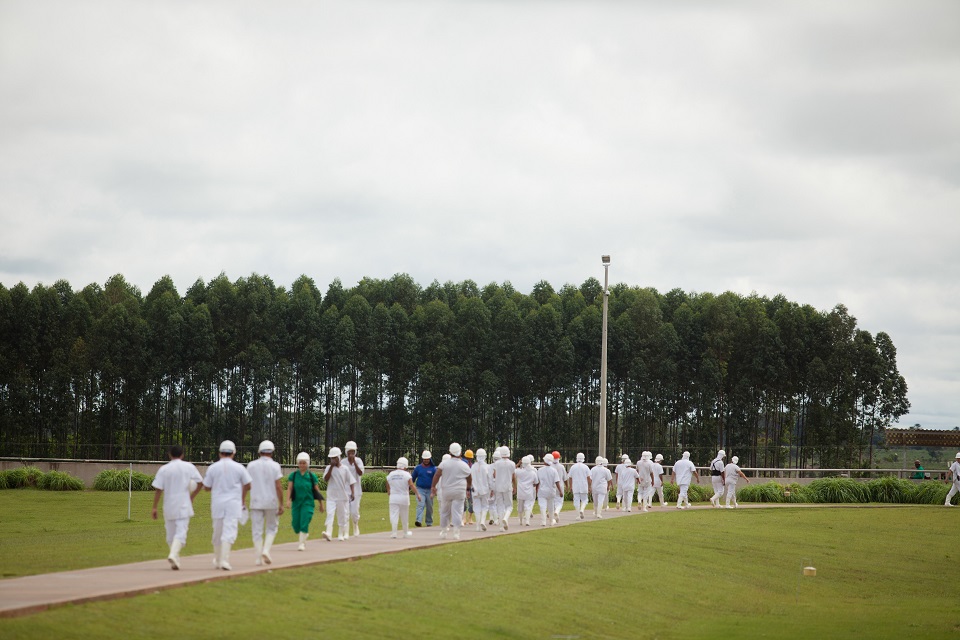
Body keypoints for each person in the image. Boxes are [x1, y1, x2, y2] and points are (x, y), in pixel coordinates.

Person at [151, 444, 203, 570]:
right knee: (181, 532)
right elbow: (201, 483)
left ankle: (175, 559)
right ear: (182, 455)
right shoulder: (188, 467)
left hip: (168, 505)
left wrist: (154, 507)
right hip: (183, 504)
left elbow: (158, 489)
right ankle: (173, 554)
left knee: (170, 534)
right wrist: (192, 496)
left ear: (170, 454)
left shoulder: (164, 469)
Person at [202, 440, 252, 571]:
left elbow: (206, 487)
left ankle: (218, 559)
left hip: (217, 503)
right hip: (233, 504)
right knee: (229, 530)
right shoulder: (239, 467)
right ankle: (223, 560)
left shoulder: (213, 467)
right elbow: (248, 485)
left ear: (219, 453)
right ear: (233, 453)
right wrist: (242, 497)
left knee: (217, 531)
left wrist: (216, 485)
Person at [247, 440, 284, 564]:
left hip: (256, 501)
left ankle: (258, 558)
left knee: (256, 530)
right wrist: (281, 503)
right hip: (271, 501)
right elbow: (278, 486)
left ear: (259, 452)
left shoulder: (251, 465)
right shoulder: (275, 466)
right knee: (272, 528)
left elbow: (247, 484)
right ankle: (266, 550)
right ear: (272, 452)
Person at [431, 443, 473, 539]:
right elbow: (469, 477)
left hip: (447, 491)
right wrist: (468, 487)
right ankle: (456, 533)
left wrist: (433, 486)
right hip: (459, 491)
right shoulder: (464, 465)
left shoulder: (444, 464)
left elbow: (437, 475)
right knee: (457, 511)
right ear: (460, 452)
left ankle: (444, 531)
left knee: (445, 511)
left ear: (450, 452)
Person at [287, 451, 322, 550]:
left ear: (307, 464)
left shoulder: (311, 476)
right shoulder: (293, 476)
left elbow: (316, 489)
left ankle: (301, 544)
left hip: (308, 503)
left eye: (304, 463)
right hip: (296, 503)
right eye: (300, 463)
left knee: (304, 522)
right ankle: (303, 534)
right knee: (296, 525)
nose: (302, 465)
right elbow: (289, 488)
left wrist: (321, 503)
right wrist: (288, 500)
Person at [323, 446, 356, 541]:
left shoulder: (345, 469)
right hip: (331, 496)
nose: (333, 460)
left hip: (342, 496)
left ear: (339, 457)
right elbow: (326, 479)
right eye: (331, 458)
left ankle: (340, 534)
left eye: (335, 458)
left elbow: (351, 481)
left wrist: (352, 493)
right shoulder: (328, 468)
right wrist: (331, 467)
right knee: (330, 513)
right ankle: (328, 532)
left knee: (342, 515)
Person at [386, 457, 419, 538]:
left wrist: (388, 490)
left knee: (394, 515)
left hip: (393, 497)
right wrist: (417, 494)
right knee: (404, 516)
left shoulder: (391, 474)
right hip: (404, 497)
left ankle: (394, 533)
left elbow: (387, 481)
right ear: (405, 466)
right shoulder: (406, 474)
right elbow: (411, 485)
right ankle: (405, 533)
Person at [492, 446, 517, 531]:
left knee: (500, 506)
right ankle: (505, 518)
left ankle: (501, 527)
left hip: (498, 487)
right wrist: (515, 486)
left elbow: (494, 475)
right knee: (509, 506)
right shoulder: (512, 464)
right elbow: (513, 477)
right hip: (508, 487)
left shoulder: (497, 463)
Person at [343, 441, 365, 536]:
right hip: (345, 490)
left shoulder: (359, 461)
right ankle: (346, 532)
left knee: (354, 512)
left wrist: (354, 462)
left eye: (353, 452)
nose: (351, 454)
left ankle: (355, 525)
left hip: (356, 490)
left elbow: (360, 473)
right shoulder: (342, 462)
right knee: (346, 512)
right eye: (349, 452)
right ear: (346, 452)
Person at [536, 453, 564, 526]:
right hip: (551, 491)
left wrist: (536, 490)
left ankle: (543, 521)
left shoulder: (539, 470)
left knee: (542, 506)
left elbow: (537, 482)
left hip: (542, 491)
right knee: (551, 507)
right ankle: (551, 521)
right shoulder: (554, 470)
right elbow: (557, 482)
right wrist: (560, 491)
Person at [410, 451, 436, 527]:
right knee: (420, 505)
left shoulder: (433, 469)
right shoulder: (418, 468)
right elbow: (413, 478)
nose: (426, 460)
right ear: (422, 459)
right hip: (420, 489)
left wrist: (434, 490)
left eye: (427, 459)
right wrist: (409, 487)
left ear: (430, 459)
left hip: (429, 490)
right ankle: (418, 520)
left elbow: (436, 479)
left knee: (429, 506)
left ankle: (429, 522)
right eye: (424, 459)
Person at [470, 448, 492, 531]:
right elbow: (490, 479)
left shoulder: (473, 467)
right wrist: (492, 489)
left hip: (475, 490)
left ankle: (477, 526)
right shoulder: (487, 467)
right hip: (485, 490)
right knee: (485, 506)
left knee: (476, 508)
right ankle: (482, 521)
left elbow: (470, 478)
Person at [515, 455, 539, 526]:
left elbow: (512, 470)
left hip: (520, 492)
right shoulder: (533, 472)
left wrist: (518, 464)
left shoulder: (519, 472)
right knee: (528, 506)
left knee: (520, 507)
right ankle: (527, 521)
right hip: (529, 492)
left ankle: (520, 521)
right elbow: (536, 482)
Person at [567, 452, 591, 520]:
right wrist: (589, 486)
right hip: (584, 485)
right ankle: (582, 510)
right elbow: (588, 478)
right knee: (585, 500)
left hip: (575, 486)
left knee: (576, 500)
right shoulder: (585, 467)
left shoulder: (573, 467)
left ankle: (578, 515)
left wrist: (570, 486)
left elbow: (570, 478)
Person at [551, 451, 567, 519]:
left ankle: (552, 512)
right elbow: (565, 478)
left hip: (551, 486)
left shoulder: (550, 466)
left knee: (553, 500)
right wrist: (567, 486)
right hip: (560, 486)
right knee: (560, 502)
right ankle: (557, 511)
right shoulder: (561, 467)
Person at [463, 449, 475, 526]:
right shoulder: (463, 465)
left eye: (470, 458)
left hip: (471, 485)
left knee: (472, 502)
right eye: (467, 458)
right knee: (463, 502)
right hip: (463, 485)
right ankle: (463, 518)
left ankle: (470, 517)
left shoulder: (473, 466)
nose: (468, 459)